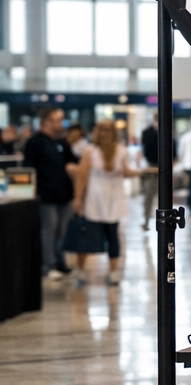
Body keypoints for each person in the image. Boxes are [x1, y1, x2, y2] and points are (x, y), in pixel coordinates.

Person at [68, 120, 142, 287]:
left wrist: (142, 172)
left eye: (108, 130)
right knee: (86, 236)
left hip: (114, 198)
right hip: (95, 199)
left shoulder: (121, 151)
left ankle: (113, 271)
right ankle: (81, 270)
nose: (105, 134)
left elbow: (125, 171)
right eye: (102, 130)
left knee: (113, 236)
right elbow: (82, 175)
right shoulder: (90, 151)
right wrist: (78, 198)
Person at [23, 108, 75, 280]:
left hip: (64, 195)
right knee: (48, 231)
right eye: (57, 120)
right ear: (46, 122)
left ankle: (60, 261)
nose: (62, 124)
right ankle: (48, 265)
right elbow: (28, 170)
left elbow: (73, 163)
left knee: (62, 232)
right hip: (46, 196)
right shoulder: (35, 143)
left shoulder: (61, 142)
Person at [139, 114, 160, 231]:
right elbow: (145, 151)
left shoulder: (167, 131)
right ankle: (146, 220)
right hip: (151, 166)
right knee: (149, 195)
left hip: (164, 167)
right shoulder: (147, 133)